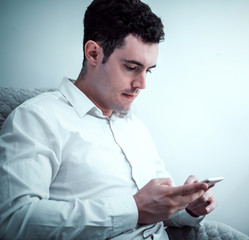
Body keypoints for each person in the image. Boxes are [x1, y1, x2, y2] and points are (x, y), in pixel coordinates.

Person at [0, 0, 217, 239]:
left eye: (148, 70)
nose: (142, 84)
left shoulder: (135, 126)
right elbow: (13, 221)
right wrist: (133, 209)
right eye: (132, 67)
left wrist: (188, 208)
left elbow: (158, 207)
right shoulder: (37, 118)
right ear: (93, 53)